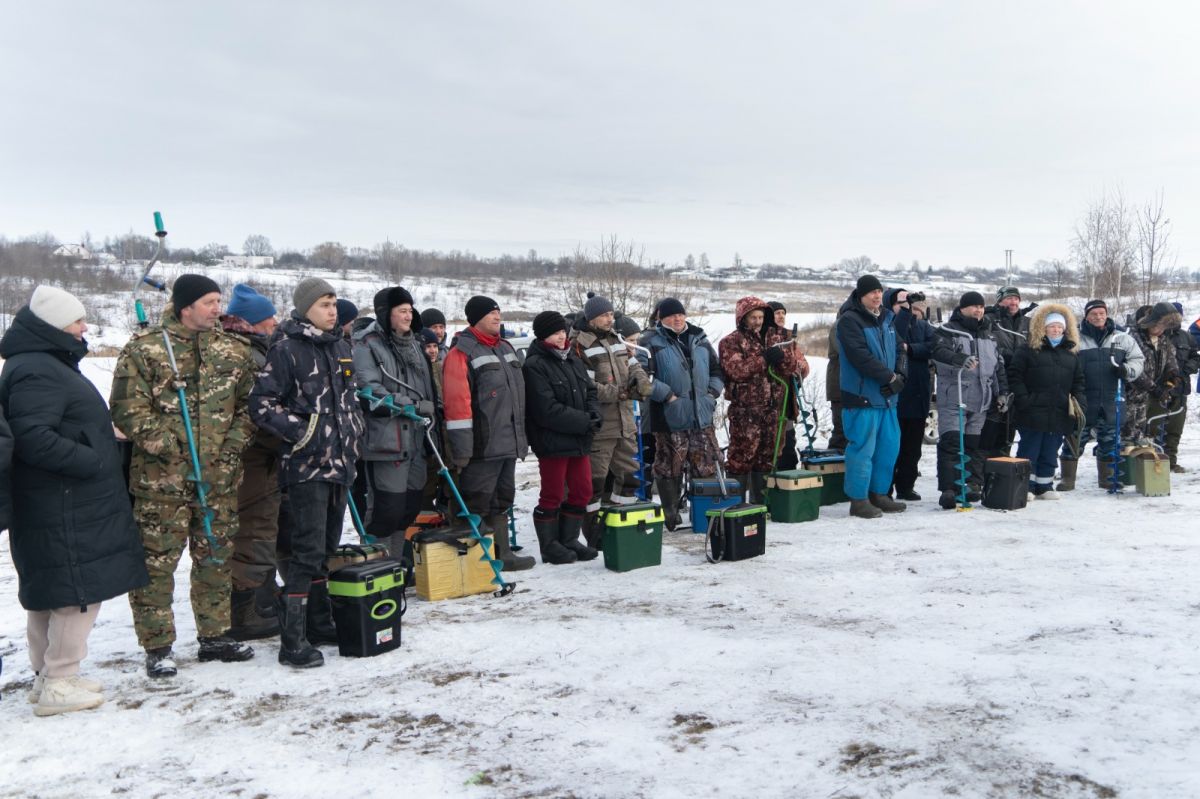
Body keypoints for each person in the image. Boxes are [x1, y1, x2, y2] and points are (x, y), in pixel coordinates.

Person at [0, 286, 148, 715]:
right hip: (64, 500)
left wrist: (100, 436)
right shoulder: (38, 370)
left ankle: (49, 677)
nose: (85, 328)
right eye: (78, 321)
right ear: (54, 326)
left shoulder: (40, 362)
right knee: (75, 592)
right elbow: (33, 438)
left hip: (61, 498)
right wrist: (94, 458)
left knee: (52, 589)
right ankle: (59, 680)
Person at [110, 274, 257, 678]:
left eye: (217, 301)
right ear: (184, 306)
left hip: (218, 480)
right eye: (209, 302)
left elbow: (249, 408)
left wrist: (229, 451)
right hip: (163, 482)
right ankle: (158, 645)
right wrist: (171, 448)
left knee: (214, 557)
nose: (216, 309)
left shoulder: (233, 351)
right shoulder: (147, 351)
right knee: (156, 565)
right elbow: (127, 410)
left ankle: (215, 636)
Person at [251, 277, 365, 668]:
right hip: (306, 467)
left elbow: (350, 403)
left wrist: (354, 436)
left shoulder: (341, 348)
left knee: (326, 551)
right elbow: (262, 404)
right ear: (305, 309)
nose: (332, 311)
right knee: (306, 552)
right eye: (324, 304)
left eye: (334, 303)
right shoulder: (286, 350)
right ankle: (292, 640)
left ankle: (318, 623)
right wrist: (304, 433)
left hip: (341, 464)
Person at [442, 296, 535, 570]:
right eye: (491, 312)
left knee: (503, 499)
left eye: (498, 311)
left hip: (508, 443)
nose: (497, 316)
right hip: (481, 447)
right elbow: (457, 404)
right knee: (476, 501)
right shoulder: (462, 352)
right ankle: (474, 563)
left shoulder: (505, 348)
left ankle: (502, 554)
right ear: (476, 318)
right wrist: (462, 451)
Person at [352, 286, 437, 565]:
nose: (408, 316)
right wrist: (409, 405)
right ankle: (377, 567)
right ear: (386, 313)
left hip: (417, 440)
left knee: (408, 509)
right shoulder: (367, 345)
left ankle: (396, 565)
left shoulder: (414, 344)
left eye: (411, 311)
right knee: (385, 511)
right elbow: (368, 390)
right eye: (402, 311)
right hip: (386, 441)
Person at [219, 284, 283, 641]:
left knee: (257, 529)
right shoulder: (248, 357)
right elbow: (257, 413)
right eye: (268, 316)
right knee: (254, 529)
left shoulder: (244, 349)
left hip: (255, 458)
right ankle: (245, 614)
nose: (275, 322)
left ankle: (259, 598)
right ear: (255, 321)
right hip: (255, 459)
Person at [570, 294, 653, 547]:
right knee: (594, 485)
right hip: (601, 427)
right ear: (592, 317)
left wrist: (641, 379)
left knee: (629, 478)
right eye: (605, 315)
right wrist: (621, 392)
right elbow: (587, 386)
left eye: (610, 314)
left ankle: (622, 527)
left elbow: (632, 362)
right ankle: (595, 536)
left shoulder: (616, 339)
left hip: (625, 422)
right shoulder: (580, 345)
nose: (609, 319)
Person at [523, 311, 600, 564]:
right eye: (556, 332)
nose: (561, 335)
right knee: (553, 493)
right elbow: (546, 410)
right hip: (553, 441)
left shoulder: (573, 358)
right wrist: (584, 421)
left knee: (582, 490)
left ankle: (569, 539)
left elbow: (590, 390)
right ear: (544, 335)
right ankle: (550, 545)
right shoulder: (535, 365)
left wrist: (594, 413)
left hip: (579, 439)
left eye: (563, 331)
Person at [642, 298, 724, 531]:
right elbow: (641, 374)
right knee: (669, 465)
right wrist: (667, 395)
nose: (677, 319)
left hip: (701, 415)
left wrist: (712, 393)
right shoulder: (650, 341)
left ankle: (705, 513)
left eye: (680, 314)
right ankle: (671, 512)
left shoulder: (700, 339)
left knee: (706, 463)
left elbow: (717, 369)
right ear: (660, 318)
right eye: (670, 315)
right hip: (670, 416)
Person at [718, 296, 808, 502]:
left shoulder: (778, 337)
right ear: (742, 318)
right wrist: (764, 359)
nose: (757, 322)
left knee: (768, 457)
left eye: (761, 317)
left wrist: (784, 358)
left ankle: (761, 505)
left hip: (774, 410)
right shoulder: (731, 342)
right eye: (753, 317)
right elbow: (736, 370)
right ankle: (736, 505)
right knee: (741, 457)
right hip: (746, 411)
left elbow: (793, 368)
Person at [834, 275, 906, 518]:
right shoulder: (849, 320)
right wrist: (889, 377)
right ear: (860, 295)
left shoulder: (886, 317)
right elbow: (860, 356)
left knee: (888, 448)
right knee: (862, 450)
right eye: (871, 292)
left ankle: (879, 494)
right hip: (862, 396)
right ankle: (859, 499)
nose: (877, 296)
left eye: (879, 291)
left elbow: (899, 349)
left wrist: (900, 375)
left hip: (887, 398)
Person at [930, 291, 1008, 509]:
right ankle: (949, 489)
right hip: (955, 398)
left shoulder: (990, 335)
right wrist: (959, 359)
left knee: (974, 446)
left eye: (981, 306)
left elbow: (998, 368)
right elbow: (938, 351)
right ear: (962, 308)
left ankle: (972, 484)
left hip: (981, 400)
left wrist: (1002, 393)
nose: (978, 310)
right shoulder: (947, 331)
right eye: (974, 306)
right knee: (952, 443)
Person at [1059, 299, 1143, 489]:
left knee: (1110, 442)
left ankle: (1107, 479)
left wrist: (1127, 370)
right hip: (1082, 400)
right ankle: (1067, 479)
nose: (1098, 317)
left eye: (1101, 313)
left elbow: (1138, 359)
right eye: (1094, 314)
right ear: (1087, 316)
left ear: (1106, 314)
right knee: (1074, 440)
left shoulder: (1122, 338)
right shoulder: (1075, 338)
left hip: (1112, 400)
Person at [1007, 305, 1086, 500]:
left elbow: (1079, 383)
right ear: (1043, 327)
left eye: (1060, 327)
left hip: (1059, 410)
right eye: (1052, 326)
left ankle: (1044, 485)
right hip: (1032, 410)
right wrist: (1024, 399)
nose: (1056, 330)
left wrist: (1080, 406)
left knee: (1051, 449)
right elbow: (1015, 376)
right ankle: (1025, 486)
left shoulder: (1071, 355)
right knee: (1029, 448)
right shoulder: (1028, 350)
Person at [889, 288, 934, 501]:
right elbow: (895, 342)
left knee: (912, 448)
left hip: (918, 394)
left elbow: (932, 347)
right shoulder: (888, 324)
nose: (908, 307)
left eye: (912, 304)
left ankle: (906, 487)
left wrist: (910, 348)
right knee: (891, 448)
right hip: (896, 397)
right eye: (902, 303)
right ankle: (885, 488)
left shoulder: (924, 326)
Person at [980, 286, 1034, 459]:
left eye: (1016, 298)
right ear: (999, 301)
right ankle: (984, 469)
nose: (1013, 302)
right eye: (1009, 298)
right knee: (992, 427)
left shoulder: (1027, 322)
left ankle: (1003, 466)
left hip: (1020, 381)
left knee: (1010, 428)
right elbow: (986, 347)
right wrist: (1013, 356)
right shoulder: (989, 319)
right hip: (996, 380)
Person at [1123, 302, 1183, 450]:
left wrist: (1173, 375)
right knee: (1129, 432)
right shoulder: (1134, 338)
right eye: (1158, 326)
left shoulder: (1163, 339)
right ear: (1150, 323)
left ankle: (1141, 465)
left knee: (1144, 431)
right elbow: (1135, 369)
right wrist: (1154, 388)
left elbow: (1170, 359)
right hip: (1132, 392)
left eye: (1164, 328)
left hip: (1149, 393)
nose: (1160, 331)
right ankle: (1125, 467)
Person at [1161, 302, 1200, 472]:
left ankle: (1170, 461)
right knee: (1154, 427)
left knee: (1175, 428)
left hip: (1181, 389)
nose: (1174, 319)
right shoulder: (1157, 334)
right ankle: (1154, 461)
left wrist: (1186, 370)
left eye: (1177, 315)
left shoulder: (1186, 336)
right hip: (1159, 389)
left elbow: (1195, 357)